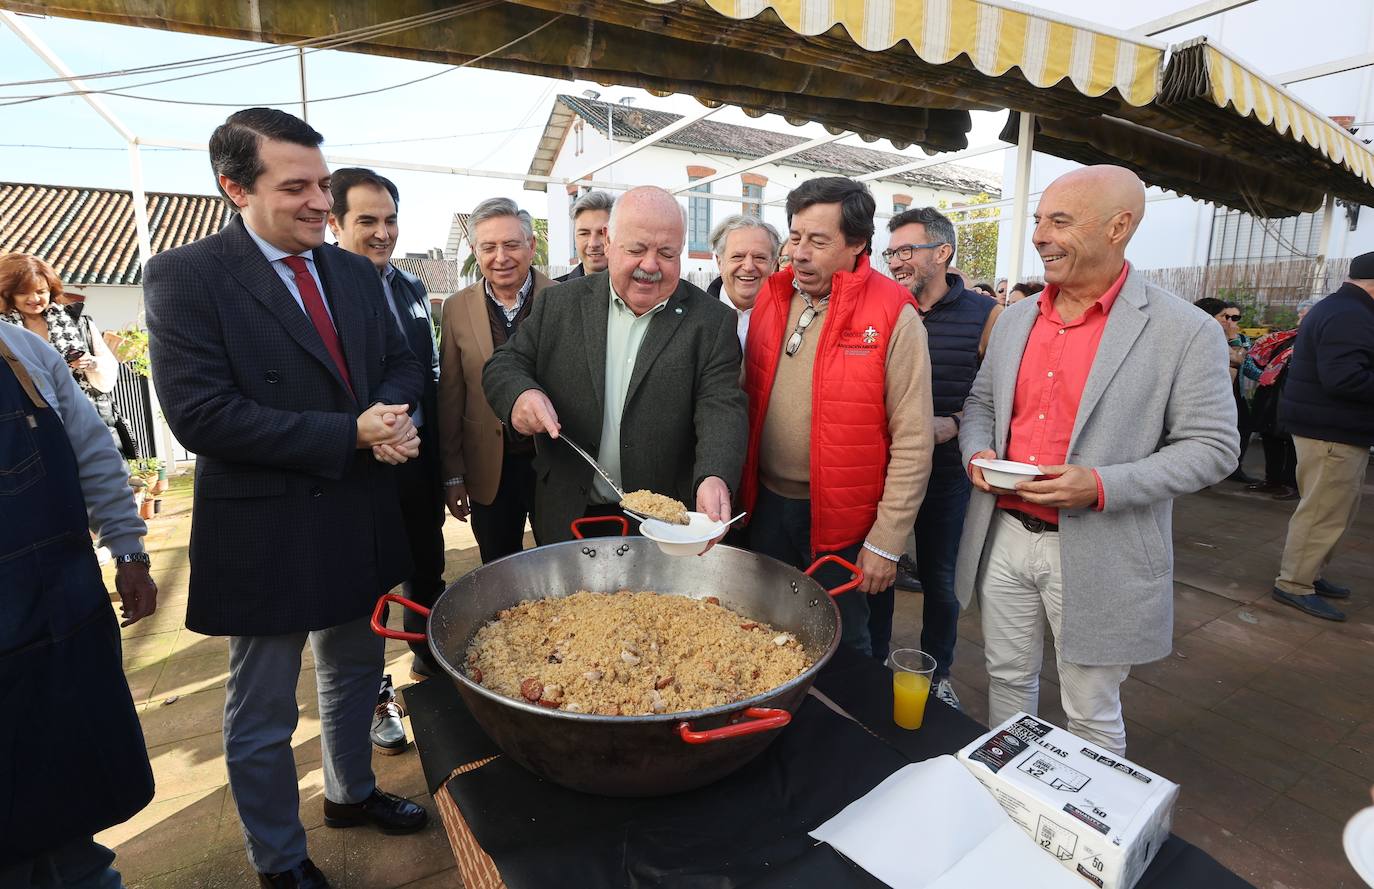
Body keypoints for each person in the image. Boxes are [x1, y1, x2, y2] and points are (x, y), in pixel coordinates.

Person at [144, 107, 428, 889]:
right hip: (265, 525)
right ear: (235, 187)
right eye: (296, 187)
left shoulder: (351, 271)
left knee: (352, 668)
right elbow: (202, 414)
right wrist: (354, 433)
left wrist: (396, 419)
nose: (320, 204)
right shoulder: (186, 277)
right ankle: (278, 856)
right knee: (263, 707)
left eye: (323, 185)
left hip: (355, 510)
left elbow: (403, 364)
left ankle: (350, 793)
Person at [958, 165, 1238, 755]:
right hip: (1004, 533)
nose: (1040, 236)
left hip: (1100, 548)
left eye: (1060, 221)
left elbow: (1214, 448)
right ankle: (1006, 800)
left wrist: (1101, 485)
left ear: (1119, 227)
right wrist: (977, 450)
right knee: (1007, 679)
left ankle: (1084, 829)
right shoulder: (1015, 319)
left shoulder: (1184, 331)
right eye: (1039, 220)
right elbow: (982, 403)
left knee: (1090, 709)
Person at [483, 185, 747, 544]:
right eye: (636, 249)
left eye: (666, 253)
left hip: (661, 521)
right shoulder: (559, 304)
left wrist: (714, 476)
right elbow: (505, 364)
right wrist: (521, 396)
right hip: (568, 511)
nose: (650, 265)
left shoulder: (711, 321)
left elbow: (721, 407)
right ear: (608, 241)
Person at [738, 176, 934, 657]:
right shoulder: (773, 295)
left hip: (841, 524)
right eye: (796, 236)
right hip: (764, 505)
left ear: (857, 244)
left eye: (818, 241)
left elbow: (913, 439)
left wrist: (887, 541)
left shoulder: (893, 314)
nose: (798, 253)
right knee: (759, 630)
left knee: (841, 644)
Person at [0, 320, 158, 889]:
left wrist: (129, 551)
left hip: (62, 617)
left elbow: (92, 450)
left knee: (74, 812)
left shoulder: (21, 349)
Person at [327, 167, 445, 756]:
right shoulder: (323, 291)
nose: (382, 233)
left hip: (414, 454)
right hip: (357, 462)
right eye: (366, 221)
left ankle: (432, 668)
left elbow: (422, 371)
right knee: (369, 587)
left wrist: (405, 430)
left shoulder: (411, 288)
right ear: (335, 223)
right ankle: (376, 696)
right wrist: (373, 431)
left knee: (426, 566)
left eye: (390, 219)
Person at [875, 206, 1001, 704]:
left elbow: (995, 395)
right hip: (883, 471)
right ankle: (876, 661)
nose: (896, 261)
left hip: (947, 474)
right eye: (891, 252)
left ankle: (939, 673)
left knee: (940, 579)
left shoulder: (986, 315)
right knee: (878, 567)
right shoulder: (884, 307)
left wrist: (954, 423)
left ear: (942, 253)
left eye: (906, 250)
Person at [439, 197, 553, 561]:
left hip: (553, 465)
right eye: (489, 247)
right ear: (475, 251)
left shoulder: (564, 299)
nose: (500, 257)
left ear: (531, 246)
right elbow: (451, 396)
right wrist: (453, 474)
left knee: (558, 563)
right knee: (498, 566)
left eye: (511, 244)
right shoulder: (456, 307)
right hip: (487, 468)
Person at [1270, 255, 1374, 622]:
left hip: (1333, 428)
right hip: (1331, 431)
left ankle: (1309, 572)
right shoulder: (1351, 315)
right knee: (1321, 512)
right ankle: (1295, 583)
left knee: (1335, 510)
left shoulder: (1346, 308)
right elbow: (1344, 378)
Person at [0, 252, 139, 459]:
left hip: (88, 421)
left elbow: (108, 369)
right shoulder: (4, 332)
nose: (34, 299)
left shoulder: (77, 322)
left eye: (41, 291)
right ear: (8, 293)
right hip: (31, 428)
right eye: (23, 293)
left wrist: (90, 363)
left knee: (104, 483)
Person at [1243, 298, 1315, 499]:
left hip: (1296, 397)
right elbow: (1263, 361)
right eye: (1300, 314)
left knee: (1292, 442)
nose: (1301, 318)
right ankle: (1272, 480)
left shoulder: (1317, 339)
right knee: (1270, 435)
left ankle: (1291, 484)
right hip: (1272, 394)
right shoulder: (1287, 338)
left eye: (1306, 314)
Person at [1195, 297, 1255, 483]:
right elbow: (1236, 359)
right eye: (1226, 316)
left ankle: (1234, 467)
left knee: (1243, 427)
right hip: (1214, 389)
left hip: (1237, 389)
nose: (1229, 321)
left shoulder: (1241, 338)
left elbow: (1244, 361)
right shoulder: (1207, 334)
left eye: (1235, 318)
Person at [706, 214, 782, 349]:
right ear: (719, 262)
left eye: (759, 257)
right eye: (738, 256)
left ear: (773, 264)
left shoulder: (789, 320)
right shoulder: (692, 318)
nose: (748, 267)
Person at [556, 190, 614, 282]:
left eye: (602, 233)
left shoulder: (640, 291)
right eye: (584, 233)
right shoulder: (553, 293)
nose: (593, 244)